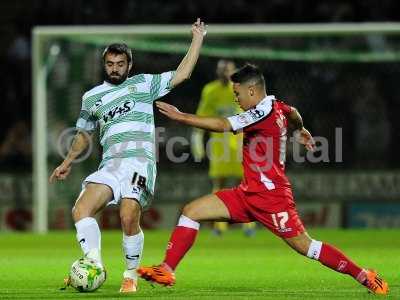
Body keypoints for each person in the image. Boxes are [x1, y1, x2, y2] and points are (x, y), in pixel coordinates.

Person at [137, 64, 389, 295]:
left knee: (307, 247)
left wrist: (182, 117)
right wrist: (300, 129)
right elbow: (294, 113)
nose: (235, 99)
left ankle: (364, 275)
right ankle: (167, 269)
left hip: (272, 199)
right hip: (247, 194)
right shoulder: (277, 105)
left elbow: (223, 124)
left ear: (252, 90)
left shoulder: (260, 112)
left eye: (237, 94)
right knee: (191, 211)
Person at [49, 18, 207, 293]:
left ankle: (130, 275)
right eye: (110, 64)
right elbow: (83, 135)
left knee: (127, 215)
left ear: (129, 65)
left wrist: (197, 39)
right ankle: (94, 263)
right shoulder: (92, 97)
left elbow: (182, 74)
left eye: (120, 64)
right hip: (110, 164)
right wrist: (66, 162)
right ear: (104, 65)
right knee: (81, 210)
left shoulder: (144, 84)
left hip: (139, 163)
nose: (114, 69)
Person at [191, 59, 255, 236]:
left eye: (227, 70)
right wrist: (197, 137)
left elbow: (251, 114)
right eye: (221, 70)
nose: (223, 73)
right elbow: (202, 115)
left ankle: (248, 225)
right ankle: (219, 227)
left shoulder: (241, 88)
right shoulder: (210, 90)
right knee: (219, 183)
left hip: (240, 141)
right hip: (219, 143)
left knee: (244, 183)